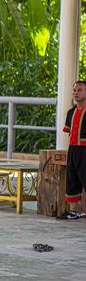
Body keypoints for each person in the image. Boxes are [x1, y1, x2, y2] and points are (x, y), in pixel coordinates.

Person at [62, 80, 86, 220]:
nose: (76, 93)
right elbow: (69, 132)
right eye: (74, 90)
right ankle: (73, 211)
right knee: (72, 178)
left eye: (80, 90)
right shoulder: (70, 112)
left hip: (85, 150)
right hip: (73, 149)